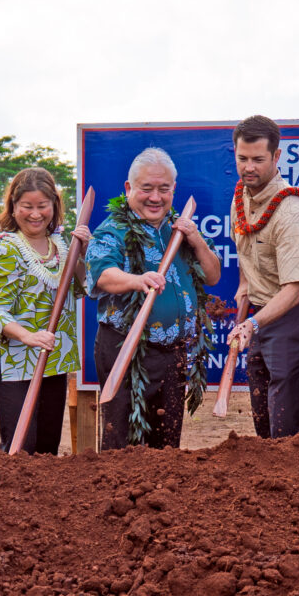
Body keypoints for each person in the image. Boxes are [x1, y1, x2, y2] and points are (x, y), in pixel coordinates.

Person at [85, 147, 222, 449]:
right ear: (129, 188)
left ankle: (161, 494)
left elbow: (213, 276)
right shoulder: (113, 230)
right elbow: (101, 274)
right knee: (121, 438)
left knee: (166, 443)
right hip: (125, 347)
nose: (155, 198)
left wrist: (196, 240)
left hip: (174, 352)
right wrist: (137, 280)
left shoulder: (181, 229)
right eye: (147, 189)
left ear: (174, 189)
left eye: (164, 189)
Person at [226, 115, 299, 438]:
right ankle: (268, 483)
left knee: (283, 418)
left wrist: (252, 324)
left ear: (276, 157)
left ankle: (295, 484)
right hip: (263, 313)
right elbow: (245, 250)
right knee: (262, 413)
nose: (249, 167)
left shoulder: (292, 212)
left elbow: (294, 289)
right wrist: (244, 283)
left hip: (296, 314)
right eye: (243, 158)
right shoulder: (240, 199)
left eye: (258, 159)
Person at [0, 167, 88, 454]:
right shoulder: (6, 249)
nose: (35, 214)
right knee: (21, 448)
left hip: (54, 358)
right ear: (13, 208)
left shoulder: (62, 246)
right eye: (27, 207)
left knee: (47, 448)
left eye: (43, 206)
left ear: (54, 206)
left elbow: (79, 289)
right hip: (17, 362)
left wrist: (82, 253)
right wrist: (30, 337)